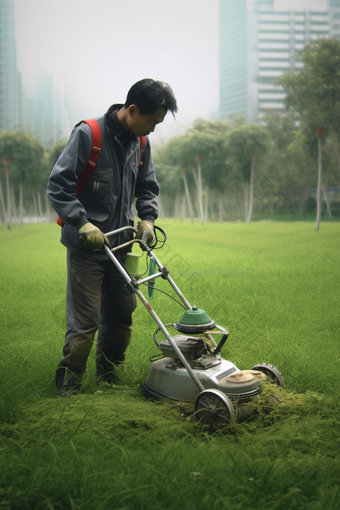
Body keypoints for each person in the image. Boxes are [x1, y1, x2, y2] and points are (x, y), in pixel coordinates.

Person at [47, 78, 178, 396]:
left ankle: (109, 379)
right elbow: (58, 185)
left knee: (122, 315)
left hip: (121, 245)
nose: (152, 130)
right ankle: (69, 384)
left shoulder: (141, 143)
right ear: (132, 110)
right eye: (151, 122)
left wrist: (147, 219)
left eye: (158, 124)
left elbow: (147, 187)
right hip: (87, 249)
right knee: (86, 320)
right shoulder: (89, 134)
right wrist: (81, 223)